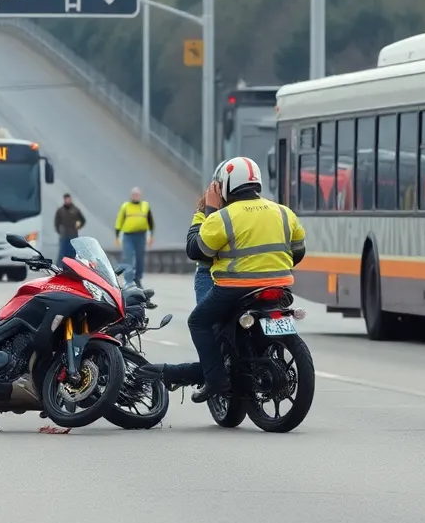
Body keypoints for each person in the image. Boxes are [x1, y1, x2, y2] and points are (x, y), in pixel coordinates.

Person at [137, 157, 305, 403]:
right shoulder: (283, 212)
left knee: (198, 322)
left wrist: (206, 212)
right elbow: (298, 252)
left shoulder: (223, 217)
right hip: (278, 286)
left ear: (225, 185)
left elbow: (196, 250)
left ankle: (215, 379)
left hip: (235, 289)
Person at [190, 162, 228, 304]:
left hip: (242, 274)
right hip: (210, 273)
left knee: (198, 323)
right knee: (202, 321)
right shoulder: (202, 214)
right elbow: (197, 251)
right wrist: (211, 212)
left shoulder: (246, 211)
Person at [114, 187, 154, 286]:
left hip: (141, 235)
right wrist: (117, 235)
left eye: (137, 194)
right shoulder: (126, 206)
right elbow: (119, 220)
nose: (135, 196)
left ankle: (138, 278)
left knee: (140, 258)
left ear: (140, 196)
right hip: (128, 236)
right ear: (131, 196)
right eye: (134, 194)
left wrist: (151, 236)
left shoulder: (145, 206)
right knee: (128, 257)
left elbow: (150, 221)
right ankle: (128, 280)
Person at [53, 193, 85, 263]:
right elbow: (56, 222)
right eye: (66, 200)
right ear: (64, 200)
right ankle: (60, 268)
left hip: (73, 235)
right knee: (62, 253)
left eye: (68, 200)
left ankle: (73, 267)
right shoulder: (60, 210)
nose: (67, 201)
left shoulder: (75, 210)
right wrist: (59, 231)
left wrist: (78, 227)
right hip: (64, 235)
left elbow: (83, 220)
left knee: (73, 253)